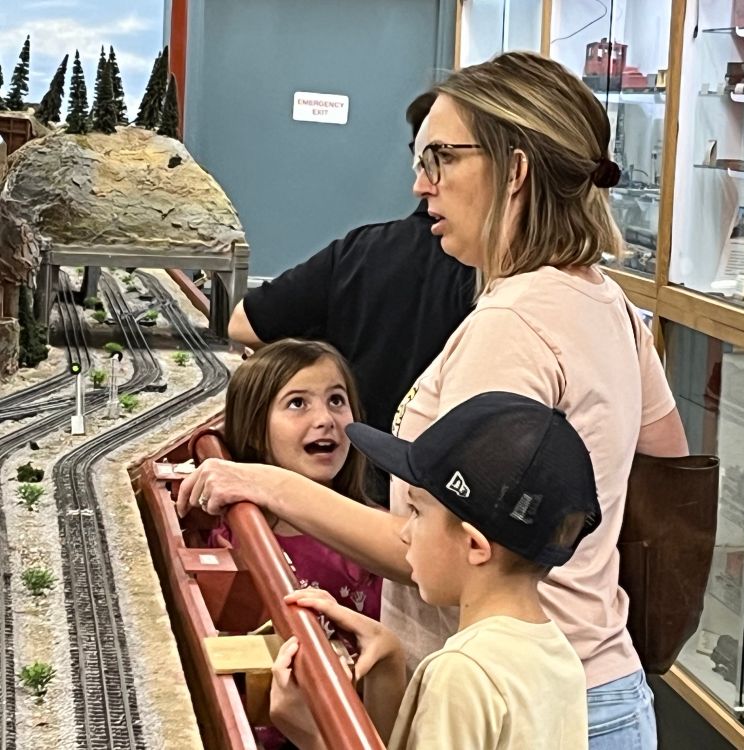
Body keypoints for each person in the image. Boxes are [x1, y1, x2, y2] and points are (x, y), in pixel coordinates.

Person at [177, 51, 688, 749]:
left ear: (514, 171)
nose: (422, 185)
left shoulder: (513, 325)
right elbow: (666, 465)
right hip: (598, 686)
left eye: (442, 158)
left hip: (505, 712)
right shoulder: (608, 303)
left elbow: (447, 540)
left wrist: (265, 484)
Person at [268, 391, 598, 750]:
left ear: (474, 545)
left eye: (417, 512)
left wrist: (314, 737)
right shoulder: (559, 656)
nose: (406, 532)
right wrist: (389, 657)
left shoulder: (463, 671)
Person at [227, 92, 477, 506]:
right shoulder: (496, 283)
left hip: (354, 490)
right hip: (435, 502)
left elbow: (245, 323)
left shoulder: (362, 251)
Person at [209, 339, 383, 748]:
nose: (325, 419)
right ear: (255, 430)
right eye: (298, 403)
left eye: (337, 400)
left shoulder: (375, 531)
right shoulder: (236, 542)